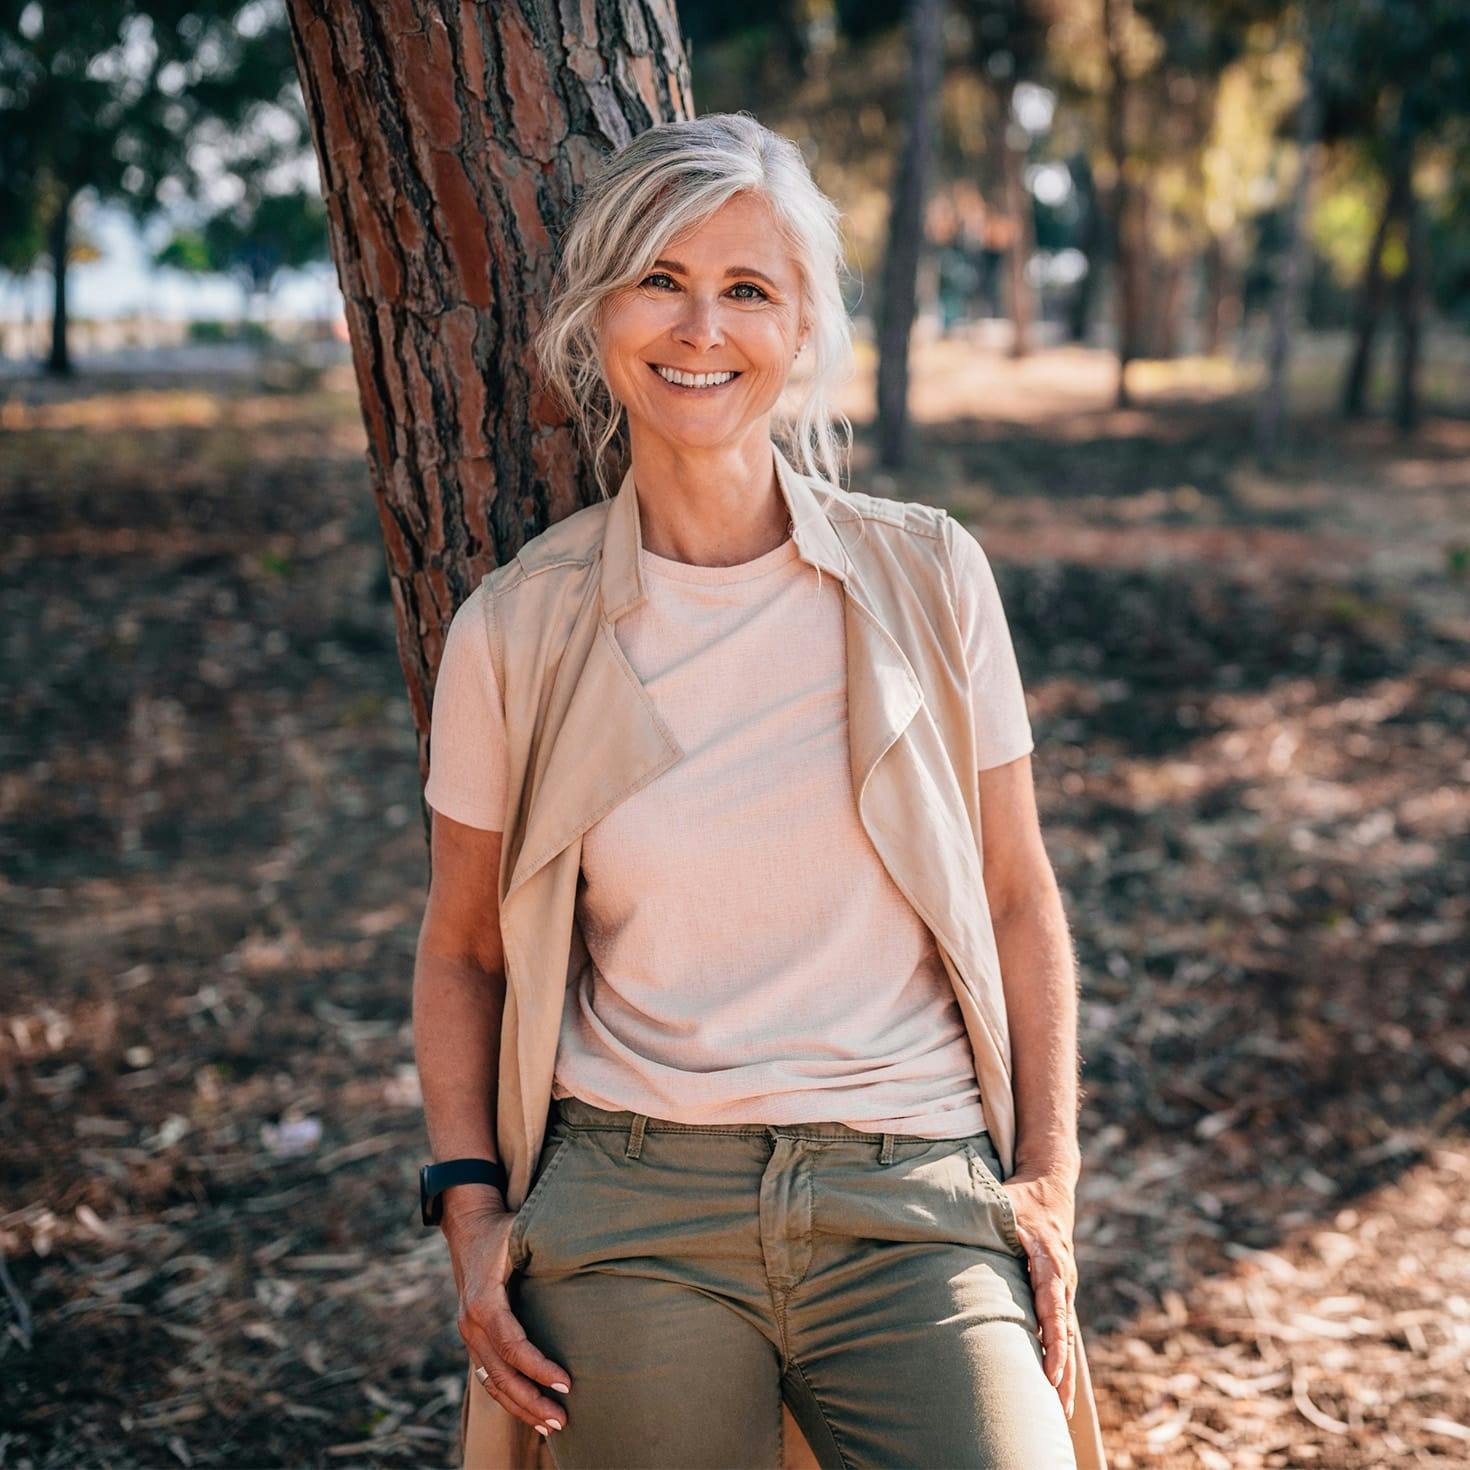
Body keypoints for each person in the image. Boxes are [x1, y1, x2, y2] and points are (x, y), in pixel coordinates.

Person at [413, 112, 1106, 1470]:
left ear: (799, 332)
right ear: (598, 314)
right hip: (632, 1196)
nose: (699, 327)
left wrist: (1047, 1177)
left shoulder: (928, 575)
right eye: (659, 279)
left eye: (746, 289)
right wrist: (472, 1218)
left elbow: (1021, 894)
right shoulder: (515, 627)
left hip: (910, 1180)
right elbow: (461, 947)